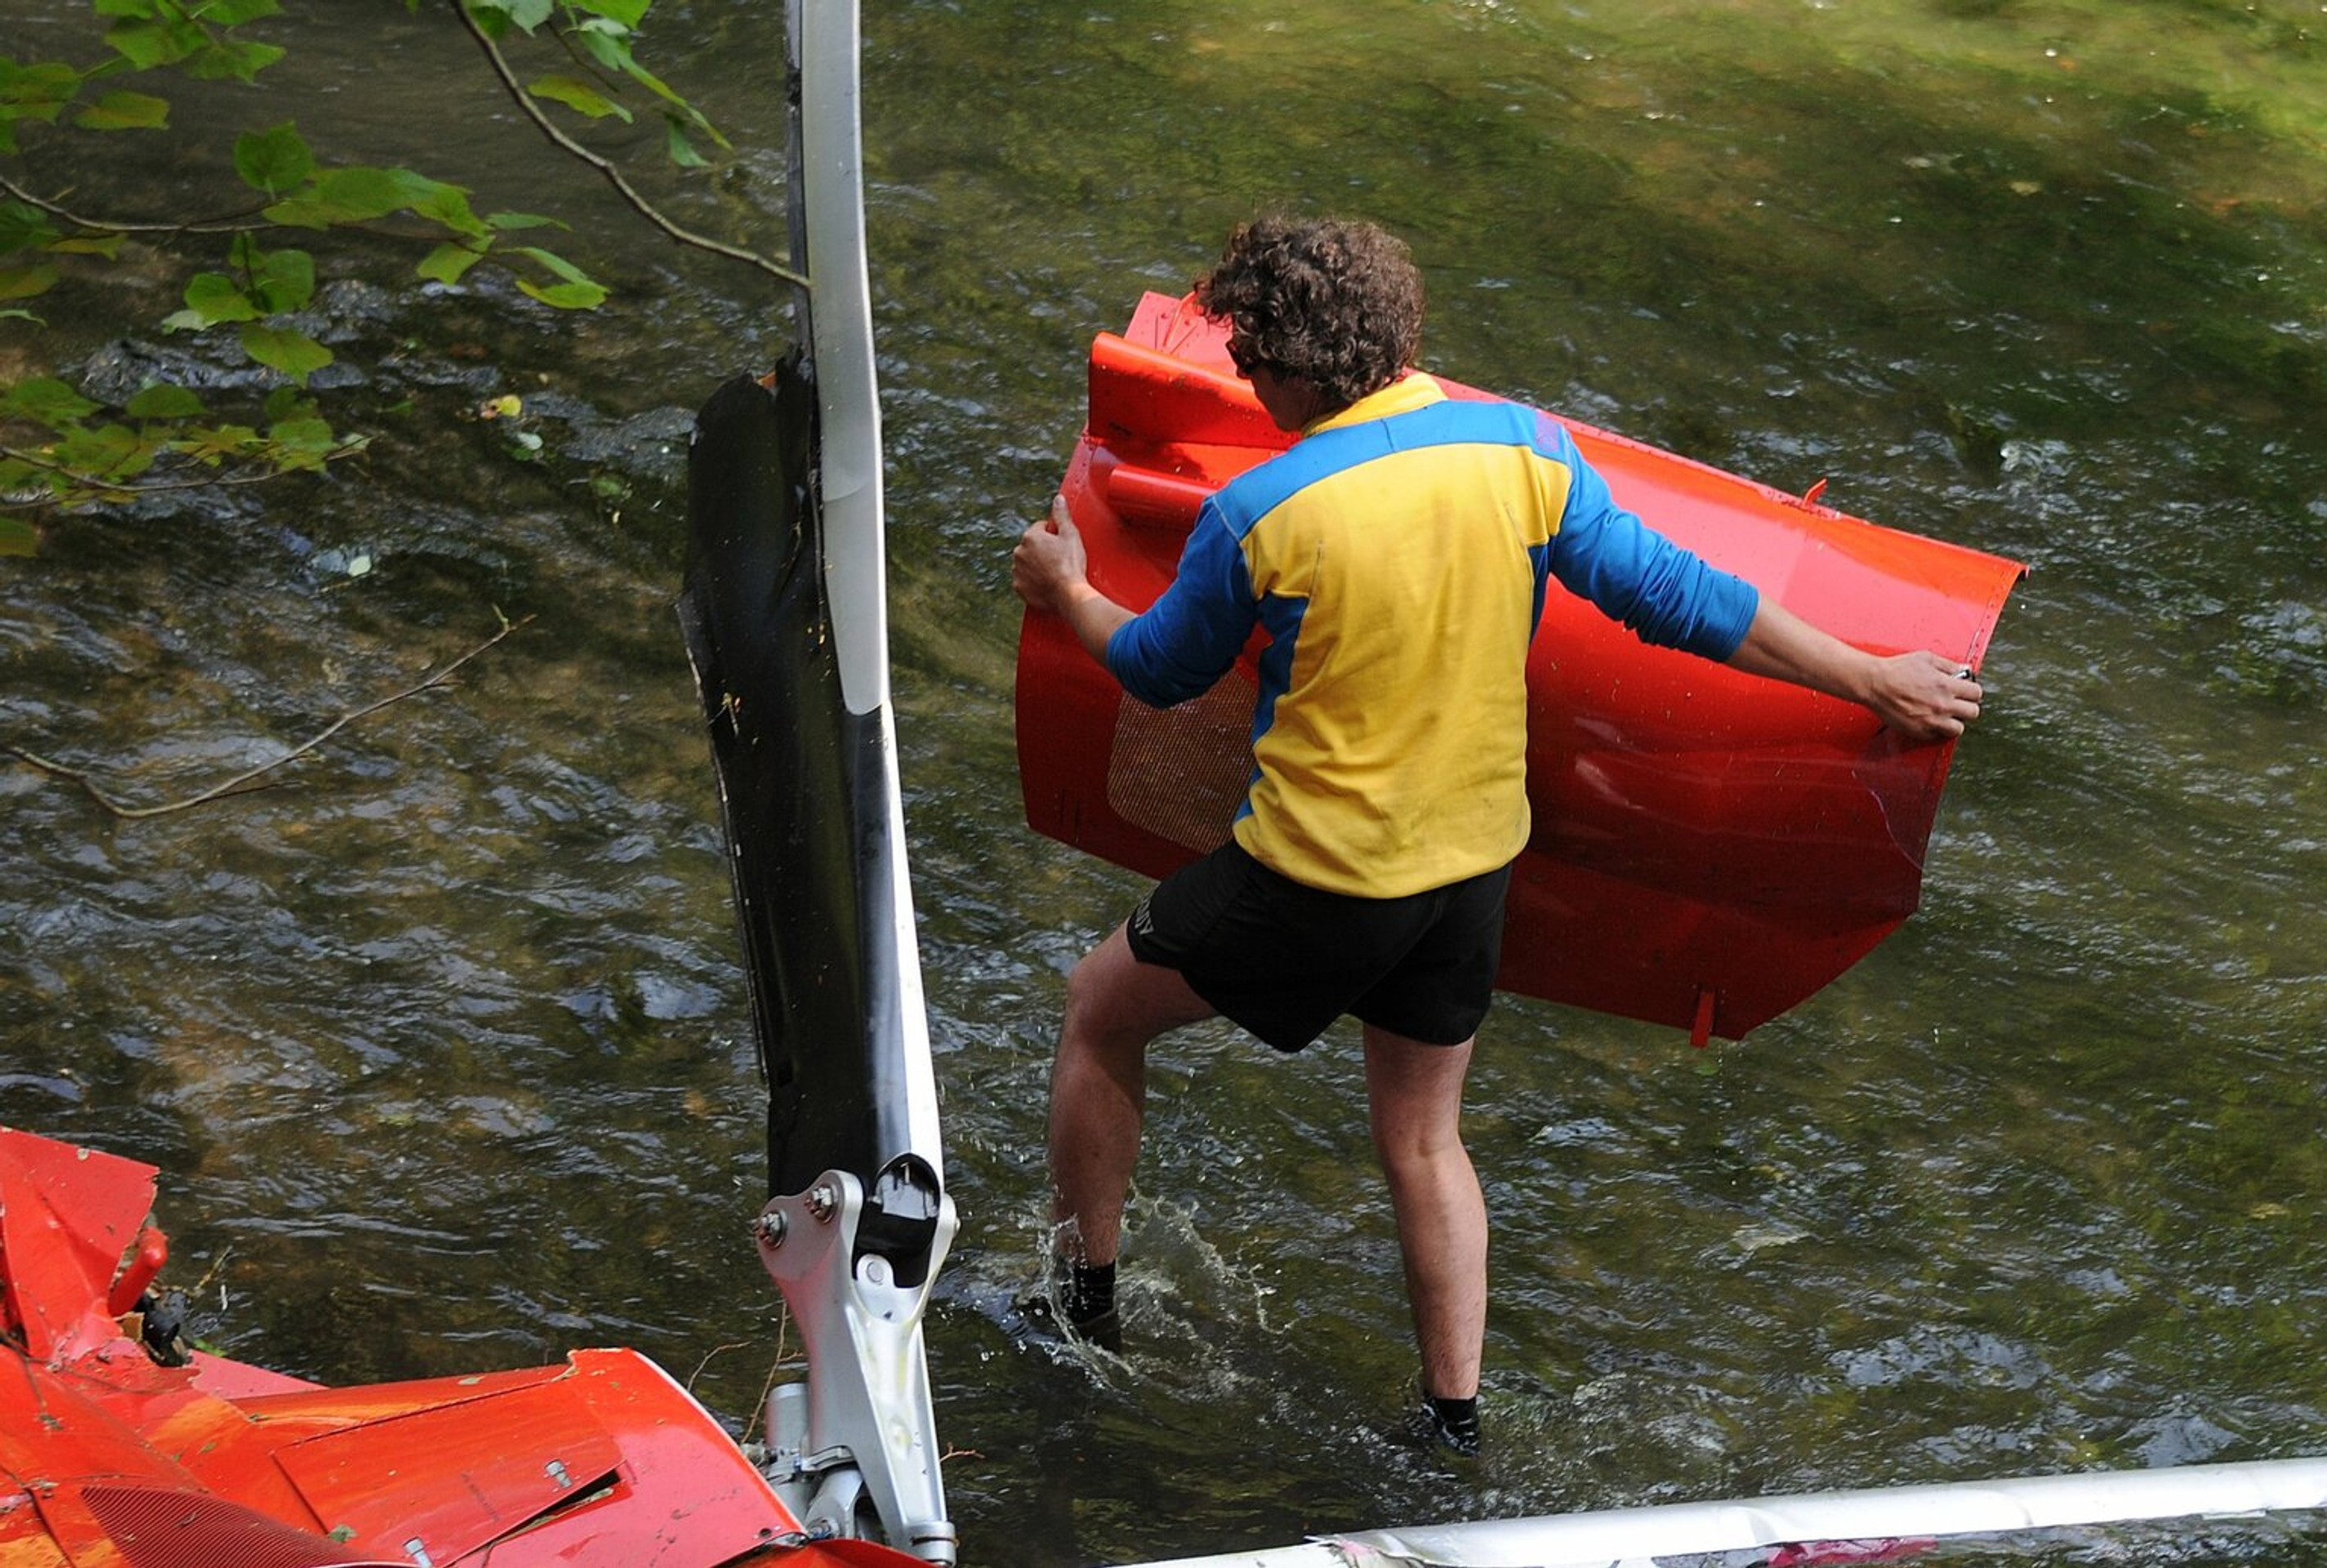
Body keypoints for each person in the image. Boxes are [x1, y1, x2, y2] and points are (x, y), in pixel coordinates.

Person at [1010, 215, 1981, 1455]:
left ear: (1305, 375)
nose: (1246, 384)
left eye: (1253, 363)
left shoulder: (1263, 511)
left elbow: (1156, 671)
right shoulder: (1523, 446)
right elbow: (1684, 603)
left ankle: (1076, 1312)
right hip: (1472, 869)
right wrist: (1872, 681)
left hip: (1320, 873)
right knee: (1420, 1135)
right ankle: (1451, 1419)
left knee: (1098, 1013)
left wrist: (1067, 591)